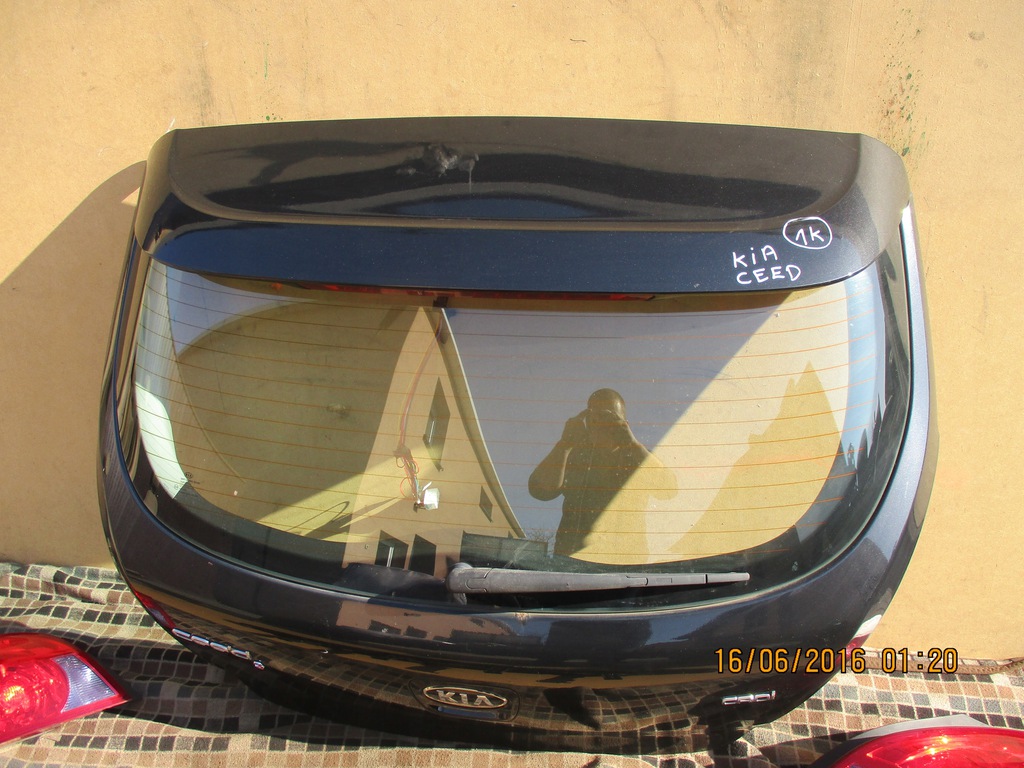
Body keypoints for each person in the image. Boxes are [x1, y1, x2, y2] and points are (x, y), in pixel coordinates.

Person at [528, 389, 676, 560]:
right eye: (594, 417)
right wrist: (565, 444)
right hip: (571, 564)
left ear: (625, 424)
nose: (601, 424)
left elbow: (668, 490)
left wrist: (632, 443)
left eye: (609, 417)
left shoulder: (637, 458)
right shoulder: (573, 456)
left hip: (626, 564)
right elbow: (540, 491)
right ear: (586, 421)